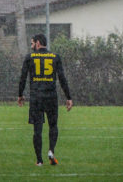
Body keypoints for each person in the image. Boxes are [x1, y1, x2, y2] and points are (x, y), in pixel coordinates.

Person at [18, 34, 73, 166]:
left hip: (36, 97)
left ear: (37, 43)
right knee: (53, 125)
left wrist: (20, 95)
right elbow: (62, 78)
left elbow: (23, 78)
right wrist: (68, 97)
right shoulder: (55, 57)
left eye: (32, 44)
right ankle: (51, 151)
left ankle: (39, 160)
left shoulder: (30, 57)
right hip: (51, 96)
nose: (31, 47)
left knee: (37, 130)